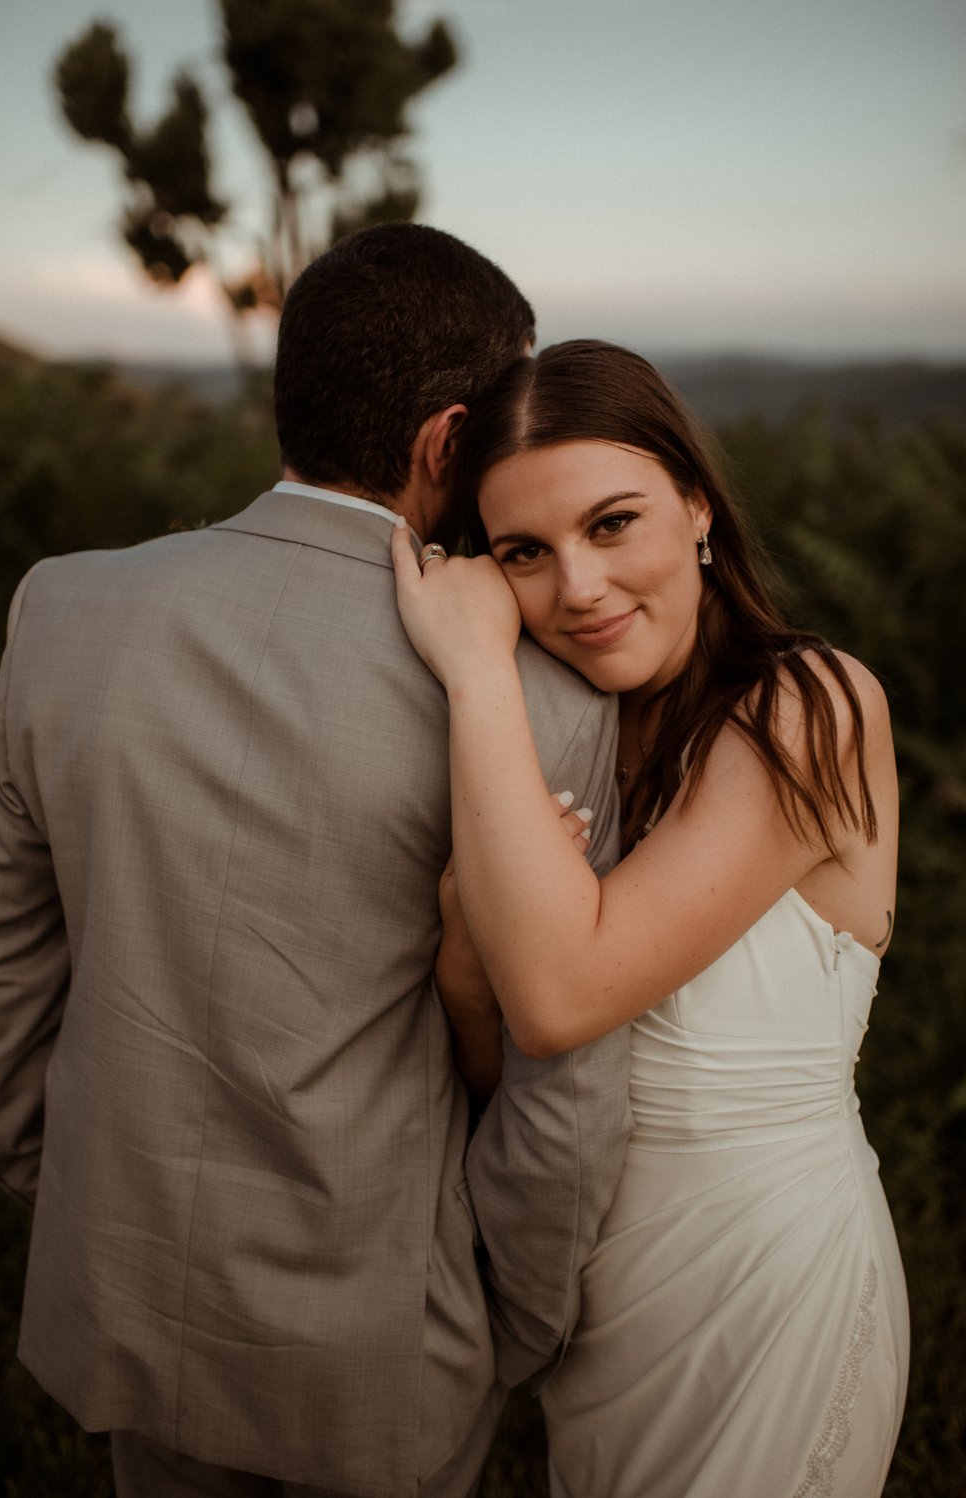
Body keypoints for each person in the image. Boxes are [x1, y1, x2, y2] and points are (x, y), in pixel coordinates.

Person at [0, 233, 633, 1498]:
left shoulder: (63, 611)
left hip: (124, 1274)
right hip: (390, 1349)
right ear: (448, 443)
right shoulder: (539, 700)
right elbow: (564, 1081)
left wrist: (63, 1180)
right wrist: (511, 1321)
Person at [391, 339, 911, 1498]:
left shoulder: (808, 707)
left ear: (697, 508)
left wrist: (474, 669)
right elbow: (513, 1073)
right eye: (524, 552)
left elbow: (567, 996)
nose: (576, 587)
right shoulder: (572, 733)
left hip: (764, 1286)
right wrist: (466, 974)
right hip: (605, 1300)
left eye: (612, 522)